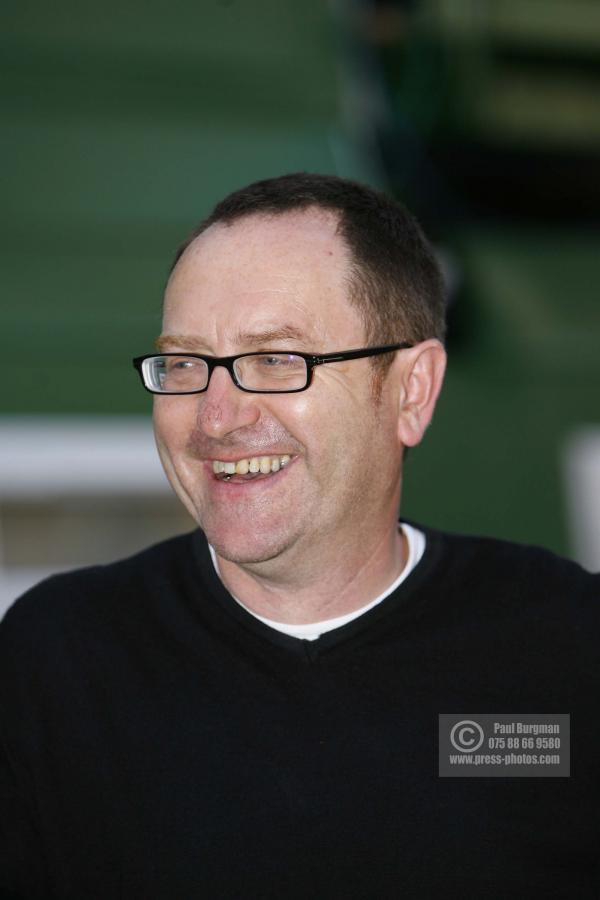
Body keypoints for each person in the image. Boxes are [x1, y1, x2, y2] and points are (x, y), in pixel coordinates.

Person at [0, 173, 598, 900]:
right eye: (186, 364)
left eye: (278, 359)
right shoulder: (56, 664)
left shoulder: (567, 644)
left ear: (411, 391)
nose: (216, 418)